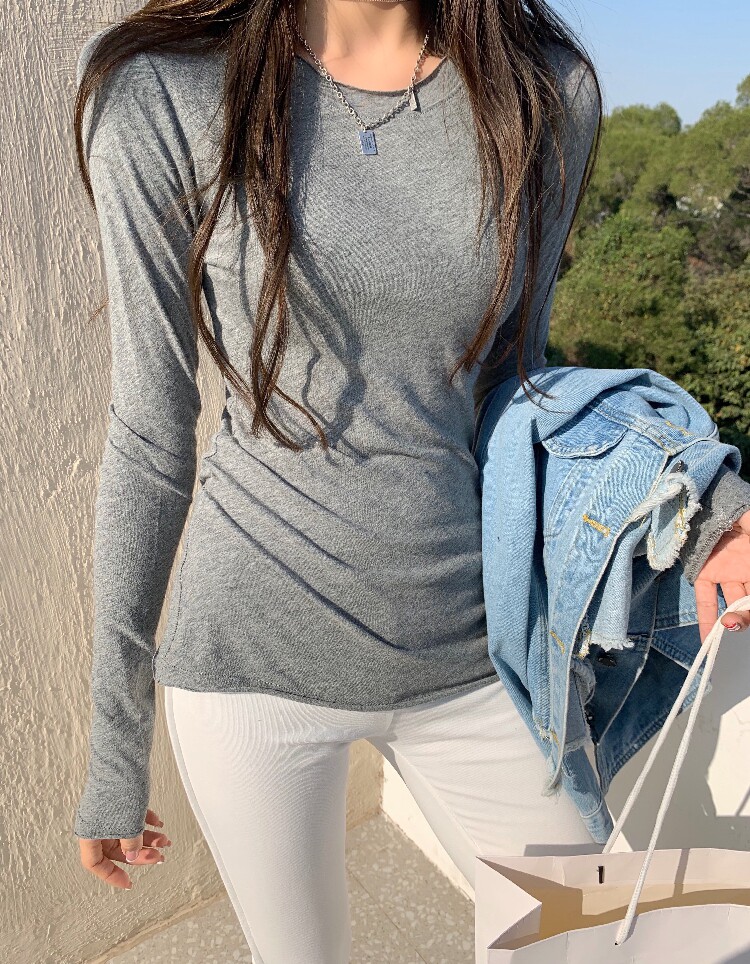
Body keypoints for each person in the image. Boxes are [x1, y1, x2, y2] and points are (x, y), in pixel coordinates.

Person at [72, 1, 750, 961]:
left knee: (581, 938)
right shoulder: (167, 89)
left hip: (474, 654)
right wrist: (115, 744)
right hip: (249, 665)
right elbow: (149, 433)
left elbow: (521, 388)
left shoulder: (543, 90)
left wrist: (704, 503)